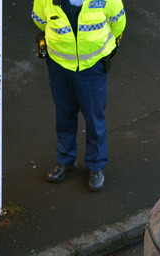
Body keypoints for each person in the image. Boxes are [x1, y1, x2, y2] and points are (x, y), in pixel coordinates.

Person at [32, 0, 126, 191]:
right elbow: (40, 20)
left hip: (92, 67)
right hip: (59, 65)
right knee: (64, 114)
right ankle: (65, 160)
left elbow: (119, 24)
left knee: (94, 119)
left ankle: (96, 166)